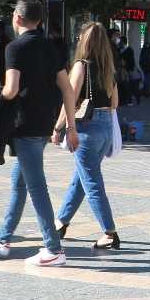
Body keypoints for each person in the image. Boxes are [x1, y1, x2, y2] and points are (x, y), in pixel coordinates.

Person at [0, 0, 75, 265]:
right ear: (39, 20)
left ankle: (53, 249)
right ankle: (3, 238)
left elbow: (11, 90)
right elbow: (67, 89)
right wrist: (70, 126)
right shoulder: (50, 46)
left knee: (36, 187)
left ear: (17, 18)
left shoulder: (14, 47)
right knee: (19, 183)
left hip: (24, 125)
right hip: (44, 124)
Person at [54, 22, 121, 251]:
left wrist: (59, 127)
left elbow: (70, 99)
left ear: (84, 41)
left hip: (87, 128)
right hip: (106, 128)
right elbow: (115, 103)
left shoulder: (81, 66)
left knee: (92, 182)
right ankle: (61, 222)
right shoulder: (108, 68)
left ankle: (109, 233)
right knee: (81, 177)